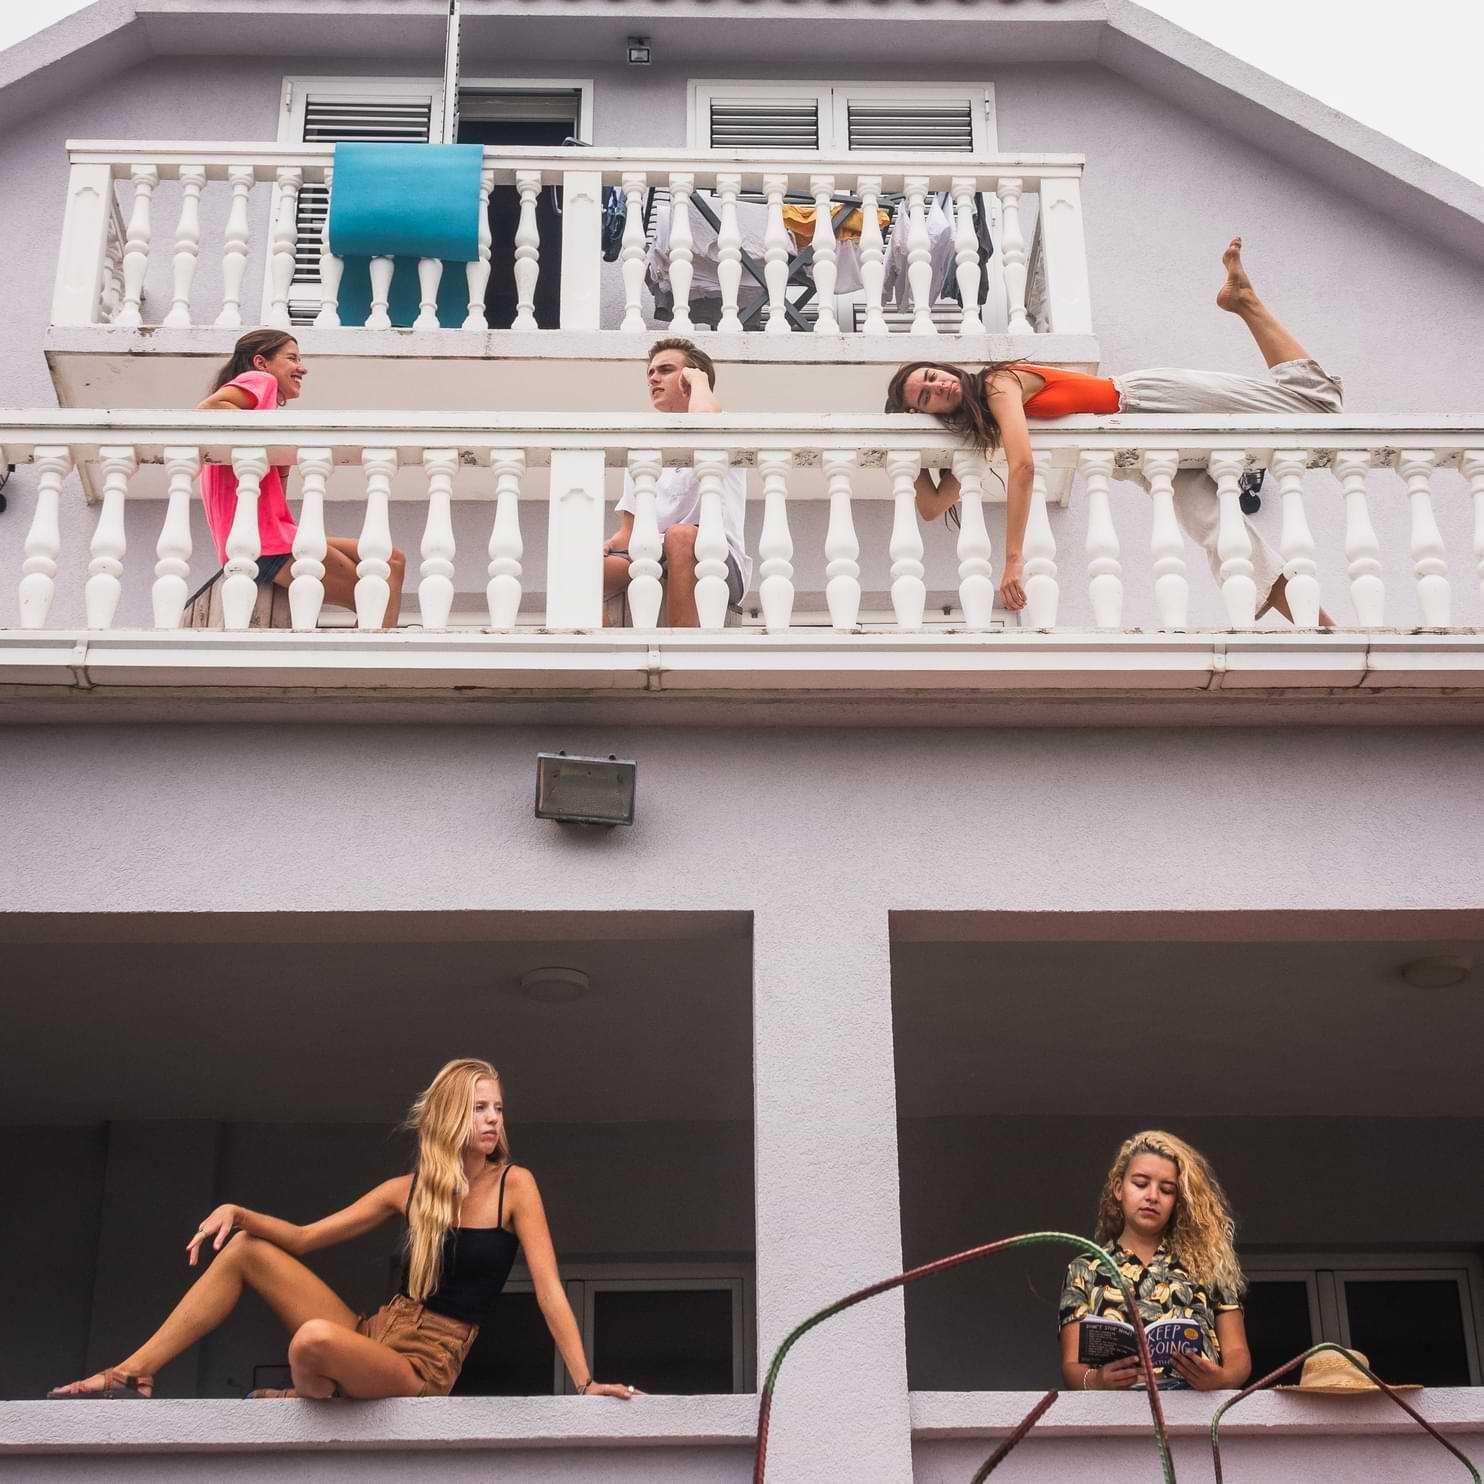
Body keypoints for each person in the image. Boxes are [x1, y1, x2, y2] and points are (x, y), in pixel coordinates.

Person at [47, 1058, 639, 1402]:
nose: (492, 1120)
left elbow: (549, 1289)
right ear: (451, 1115)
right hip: (372, 1333)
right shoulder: (406, 1193)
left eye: (498, 1109)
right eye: (480, 1107)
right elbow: (305, 1238)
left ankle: (312, 1394)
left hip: (422, 1365)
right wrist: (239, 1211)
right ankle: (135, 1370)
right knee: (250, 1251)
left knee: (309, 1341)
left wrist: (584, 1381)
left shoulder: (516, 1186)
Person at [885, 239, 1338, 624]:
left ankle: (1246, 302)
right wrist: (910, 437)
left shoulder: (996, 384)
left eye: (930, 375)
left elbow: (1022, 467)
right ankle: (1325, 634)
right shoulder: (981, 428)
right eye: (925, 397)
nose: (937, 385)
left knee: (1318, 406)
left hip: (1150, 402)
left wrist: (1014, 560)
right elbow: (929, 506)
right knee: (1224, 536)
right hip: (1145, 452)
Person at [195, 330, 407, 626]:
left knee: (392, 560)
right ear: (261, 362)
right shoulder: (261, 380)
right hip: (265, 544)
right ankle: (373, 660)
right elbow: (209, 408)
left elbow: (273, 502)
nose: (302, 367)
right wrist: (262, 435)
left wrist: (277, 458)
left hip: (274, 534)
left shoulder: (265, 410)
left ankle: (373, 643)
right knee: (377, 590)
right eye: (292, 358)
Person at [1059, 1130, 1252, 1394]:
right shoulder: (1085, 1268)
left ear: (1178, 1200)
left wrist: (1222, 1380)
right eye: (1140, 1184)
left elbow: (1238, 1355)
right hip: (1114, 1418)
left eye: (1166, 1189)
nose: (1152, 1196)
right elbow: (1071, 1365)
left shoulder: (1209, 1264)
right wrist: (1096, 1381)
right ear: (1119, 1189)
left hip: (1196, 1415)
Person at [602, 338, 752, 626]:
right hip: (653, 553)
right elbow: (630, 531)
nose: (654, 378)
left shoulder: (719, 423)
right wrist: (608, 545)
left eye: (666, 369)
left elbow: (705, 421)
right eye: (650, 373)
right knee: (587, 563)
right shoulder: (644, 450)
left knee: (680, 535)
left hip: (716, 559)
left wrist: (698, 380)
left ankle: (683, 644)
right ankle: (603, 658)